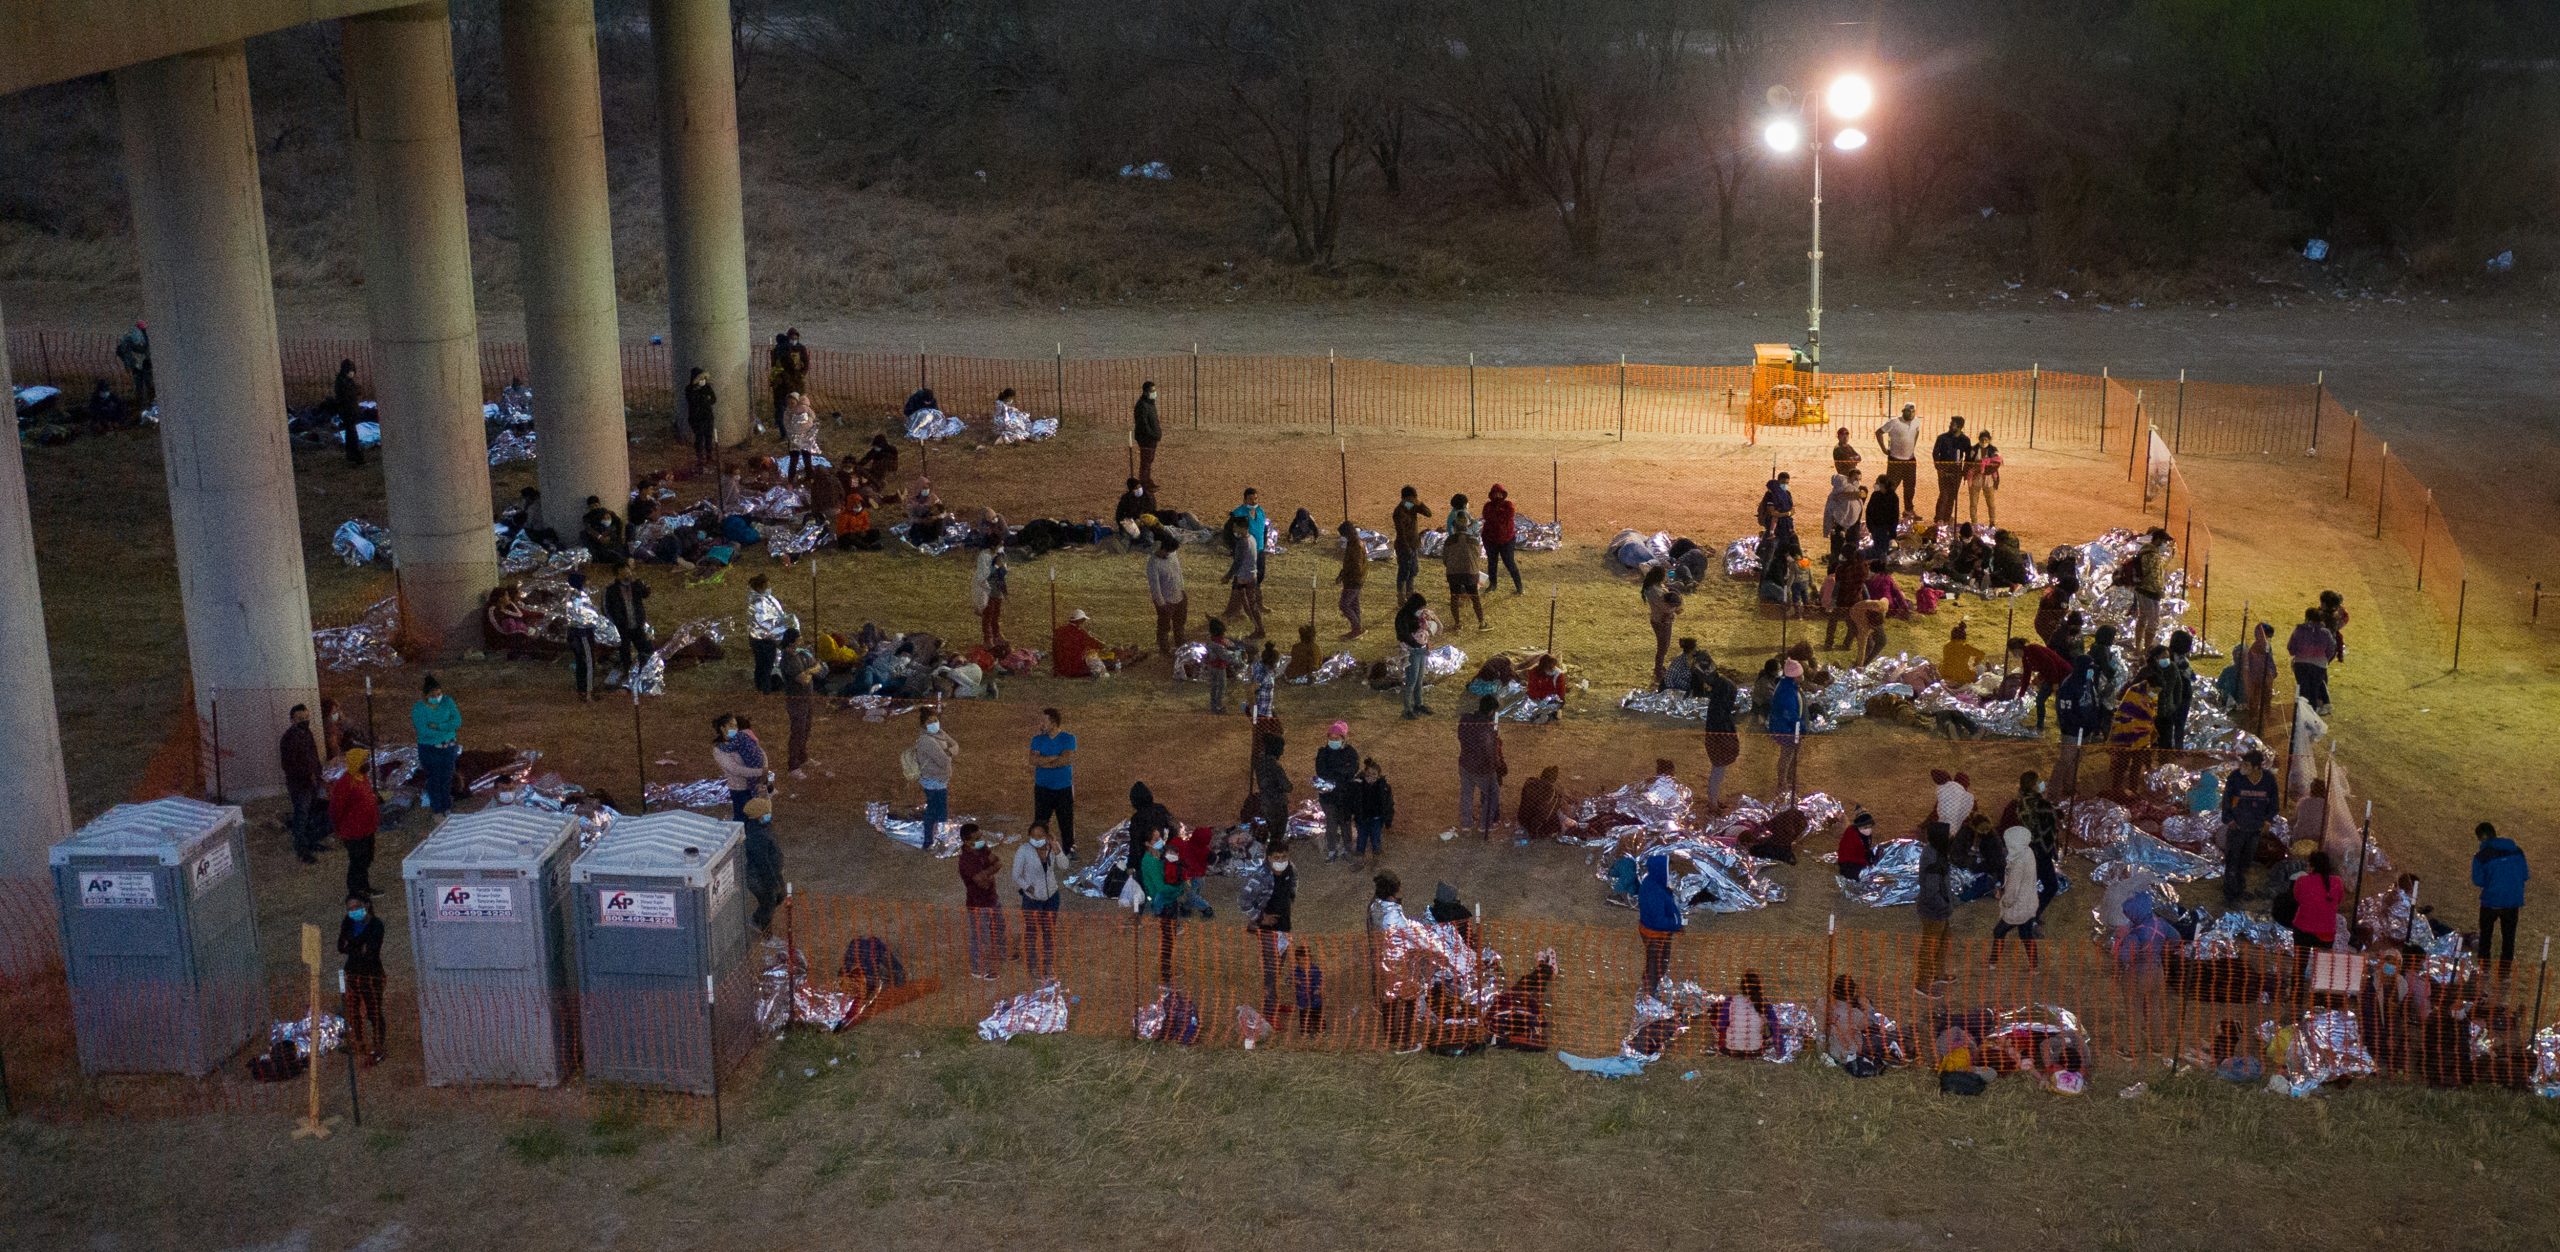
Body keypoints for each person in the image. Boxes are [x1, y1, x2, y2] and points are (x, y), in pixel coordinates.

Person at [2112, 893, 2177, 1059]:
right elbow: (2176, 938)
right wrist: (2161, 950)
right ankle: (2158, 1046)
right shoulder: (2161, 923)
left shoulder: (2136, 933)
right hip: (2157, 970)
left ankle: (2132, 1049)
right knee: (2154, 1008)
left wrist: (2121, 938)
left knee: (2134, 1010)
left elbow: (2125, 957)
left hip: (2138, 974)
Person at [2220, 749, 2280, 904]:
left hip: (2255, 829)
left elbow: (2274, 802)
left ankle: (2239, 889)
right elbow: (2226, 799)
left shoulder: (2268, 780)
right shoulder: (2235, 778)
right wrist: (2229, 819)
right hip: (2237, 828)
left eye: (2247, 765)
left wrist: (2268, 820)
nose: (2243, 767)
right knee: (2232, 861)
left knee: (2245, 861)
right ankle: (2230, 895)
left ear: (2257, 767)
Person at [1006, 820, 1061, 980]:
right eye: (1033, 836)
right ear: (1029, 836)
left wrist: (1057, 848)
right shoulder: (1023, 851)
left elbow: (1064, 866)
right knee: (1031, 932)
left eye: (1040, 836)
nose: (1037, 839)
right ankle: (1032, 966)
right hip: (1032, 900)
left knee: (1049, 931)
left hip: (1052, 898)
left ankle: (1048, 964)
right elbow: (1016, 874)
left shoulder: (1051, 848)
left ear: (1047, 836)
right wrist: (1028, 887)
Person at [338, 893, 387, 1065]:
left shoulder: (376, 925)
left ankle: (379, 1046)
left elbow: (371, 952)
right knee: (352, 1009)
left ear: (365, 905)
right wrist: (359, 946)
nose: (352, 911)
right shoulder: (348, 921)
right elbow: (340, 947)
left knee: (373, 1011)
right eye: (349, 909)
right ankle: (357, 1042)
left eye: (355, 907)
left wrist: (352, 944)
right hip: (351, 973)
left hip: (371, 975)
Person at [2473, 821, 2528, 967]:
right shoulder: (2518, 851)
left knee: (2485, 936)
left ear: (2481, 838)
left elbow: (2478, 880)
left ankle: (2483, 968)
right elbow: (2525, 874)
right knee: (2509, 938)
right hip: (2512, 902)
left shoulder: (2481, 856)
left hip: (2491, 901)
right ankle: (2504, 973)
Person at [330, 748, 381, 900]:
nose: (367, 763)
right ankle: (355, 891)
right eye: (364, 761)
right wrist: (338, 829)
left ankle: (364, 887)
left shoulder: (362, 777)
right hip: (353, 832)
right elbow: (335, 808)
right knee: (357, 861)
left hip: (366, 829)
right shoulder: (345, 783)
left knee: (366, 858)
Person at [1988, 826, 2042, 970]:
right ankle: (2034, 966)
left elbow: (2012, 891)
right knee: (2026, 934)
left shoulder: (2017, 863)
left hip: (2018, 906)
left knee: (1999, 931)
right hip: (2030, 902)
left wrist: (2004, 902)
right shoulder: (2027, 851)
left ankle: (1993, 962)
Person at [1029, 707, 1079, 861]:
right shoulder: (1037, 739)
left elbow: (1066, 759)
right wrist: (1054, 758)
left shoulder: (1068, 738)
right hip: (1043, 788)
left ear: (1053, 723)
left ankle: (1069, 848)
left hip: (1062, 788)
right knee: (1041, 820)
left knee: (1066, 821)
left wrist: (1044, 761)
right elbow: (1033, 760)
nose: (1041, 724)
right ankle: (1040, 848)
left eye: (1044, 721)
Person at [956, 823, 1004, 980]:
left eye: (980, 837)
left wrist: (986, 873)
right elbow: (982, 882)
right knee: (979, 937)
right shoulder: (965, 861)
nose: (981, 841)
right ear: (966, 841)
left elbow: (998, 862)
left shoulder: (982, 848)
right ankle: (978, 969)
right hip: (978, 904)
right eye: (976, 839)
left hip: (992, 898)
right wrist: (989, 873)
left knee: (998, 926)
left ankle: (998, 953)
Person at [1456, 694, 1507, 839]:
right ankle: (1485, 825)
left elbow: (1461, 737)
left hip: (1465, 763)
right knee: (1492, 794)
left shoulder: (1465, 720)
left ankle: (1466, 824)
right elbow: (1490, 752)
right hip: (1482, 769)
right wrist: (1496, 766)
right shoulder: (1487, 729)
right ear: (1491, 711)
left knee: (1466, 794)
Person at [279, 703, 325, 864]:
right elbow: (289, 765)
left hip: (312, 782)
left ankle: (310, 842)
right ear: (292, 720)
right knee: (301, 815)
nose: (305, 721)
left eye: (306, 718)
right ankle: (302, 849)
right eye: (300, 718)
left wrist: (318, 774)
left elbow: (313, 755)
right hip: (300, 784)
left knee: (310, 814)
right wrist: (308, 776)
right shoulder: (288, 739)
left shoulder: (307, 733)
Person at [411, 676, 462, 815]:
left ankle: (446, 806)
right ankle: (437, 807)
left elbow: (457, 721)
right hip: (429, 749)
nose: (437, 697)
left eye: (439, 694)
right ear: (425, 695)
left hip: (448, 747)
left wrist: (438, 726)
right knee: (434, 778)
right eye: (433, 695)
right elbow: (423, 731)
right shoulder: (419, 709)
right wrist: (447, 730)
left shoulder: (447, 702)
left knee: (447, 776)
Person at [1914, 822, 1954, 996]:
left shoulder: (1936, 852)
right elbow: (1931, 891)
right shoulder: (1933, 859)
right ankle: (1922, 983)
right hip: (1934, 911)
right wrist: (1944, 905)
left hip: (1939, 909)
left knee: (1942, 941)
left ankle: (1938, 973)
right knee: (1929, 948)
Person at [1636, 850, 1684, 992]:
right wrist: (1675, 925)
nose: (1671, 872)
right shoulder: (1654, 891)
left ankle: (1651, 991)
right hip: (1656, 934)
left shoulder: (1654, 884)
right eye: (1669, 868)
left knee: (1657, 963)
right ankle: (1649, 995)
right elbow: (1658, 920)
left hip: (1659, 933)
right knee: (1655, 965)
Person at [911, 709, 957, 850]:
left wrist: (949, 752)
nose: (934, 723)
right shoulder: (927, 740)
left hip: (940, 779)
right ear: (924, 724)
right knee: (935, 808)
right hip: (932, 780)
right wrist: (950, 753)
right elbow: (943, 761)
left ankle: (936, 837)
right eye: (930, 721)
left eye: (935, 720)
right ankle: (930, 839)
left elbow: (955, 745)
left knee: (939, 808)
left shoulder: (939, 734)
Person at [779, 629, 824, 773]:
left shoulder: (802, 653)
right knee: (797, 731)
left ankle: (803, 757)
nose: (802, 640)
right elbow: (803, 680)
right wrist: (810, 671)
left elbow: (818, 666)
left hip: (807, 699)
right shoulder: (787, 659)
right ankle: (793, 765)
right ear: (792, 641)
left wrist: (809, 671)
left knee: (806, 729)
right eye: (799, 638)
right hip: (796, 701)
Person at [1315, 721, 1360, 861]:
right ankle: (1332, 849)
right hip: (1329, 797)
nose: (1333, 741)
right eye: (1331, 738)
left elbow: (1352, 770)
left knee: (1345, 823)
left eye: (1337, 738)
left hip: (1345, 796)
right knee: (1331, 823)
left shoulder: (1351, 752)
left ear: (1343, 739)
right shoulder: (1323, 753)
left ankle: (1347, 847)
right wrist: (1341, 772)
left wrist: (1335, 773)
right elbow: (1321, 771)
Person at [1700, 660, 1740, 812]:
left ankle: (1714, 799)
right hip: (1719, 739)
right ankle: (1712, 804)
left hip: (1716, 738)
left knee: (1717, 771)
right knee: (1717, 771)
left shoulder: (1716, 706)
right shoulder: (1720, 713)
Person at [711, 714, 768, 820]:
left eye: (736, 726)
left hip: (755, 785)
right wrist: (761, 772)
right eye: (731, 726)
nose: (735, 729)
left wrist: (764, 767)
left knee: (759, 816)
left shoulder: (742, 737)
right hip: (740, 790)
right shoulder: (719, 750)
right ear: (722, 728)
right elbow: (735, 770)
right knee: (742, 819)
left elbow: (760, 751)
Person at [740, 794, 784, 931]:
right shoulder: (757, 836)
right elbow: (762, 863)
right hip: (759, 878)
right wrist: (773, 883)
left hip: (768, 874)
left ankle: (757, 919)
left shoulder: (761, 828)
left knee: (776, 898)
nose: (770, 815)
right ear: (759, 815)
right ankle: (763, 929)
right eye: (767, 813)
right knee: (769, 902)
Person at [2289, 850, 2347, 954]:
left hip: (2303, 928)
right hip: (2326, 932)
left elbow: (2298, 898)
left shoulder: (2302, 881)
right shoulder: (2338, 882)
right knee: (2321, 966)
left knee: (2299, 965)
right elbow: (2339, 900)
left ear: (2312, 866)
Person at [747, 574, 796, 694]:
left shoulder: (760, 598)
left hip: (759, 638)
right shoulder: (758, 602)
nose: (770, 587)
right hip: (763, 640)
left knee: (761, 664)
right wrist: (781, 632)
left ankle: (760, 686)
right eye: (768, 585)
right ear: (761, 587)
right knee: (766, 666)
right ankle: (765, 690)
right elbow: (765, 623)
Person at [1443, 499, 1487, 630]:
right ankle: (1481, 623)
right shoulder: (1474, 541)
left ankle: (1457, 624)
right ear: (1467, 526)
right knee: (1475, 598)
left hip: (1453, 573)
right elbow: (1477, 556)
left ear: (1455, 526)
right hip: (1470, 573)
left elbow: (1445, 559)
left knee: (1454, 597)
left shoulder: (1449, 541)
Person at [2286, 606, 2338, 715]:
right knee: (2314, 692)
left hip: (2301, 664)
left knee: (2303, 691)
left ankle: (2301, 716)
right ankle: (2312, 716)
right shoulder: (2326, 633)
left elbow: (2291, 648)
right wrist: (2324, 659)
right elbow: (2331, 649)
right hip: (2319, 666)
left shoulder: (2299, 630)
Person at [1221, 516, 1267, 638]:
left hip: (1244, 578)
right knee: (1246, 602)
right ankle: (1255, 626)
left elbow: (1238, 562)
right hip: (1250, 575)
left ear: (1242, 527)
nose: (1234, 528)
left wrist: (1227, 576)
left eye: (1235, 526)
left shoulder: (1242, 543)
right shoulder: (1252, 538)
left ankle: (1259, 629)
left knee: (1249, 605)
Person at [2127, 528, 2174, 646]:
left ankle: (2138, 647)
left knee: (2142, 617)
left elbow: (2158, 568)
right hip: (2149, 591)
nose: (2165, 544)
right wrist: (2160, 590)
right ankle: (2146, 650)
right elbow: (2153, 575)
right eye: (2164, 541)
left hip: (2143, 590)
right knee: (2153, 622)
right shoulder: (2152, 555)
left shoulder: (2147, 551)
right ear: (2158, 540)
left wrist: (2169, 557)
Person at [1874, 403, 1921, 519]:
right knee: (1891, 486)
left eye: (1912, 411)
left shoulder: (1916, 421)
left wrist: (1912, 447)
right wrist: (1884, 449)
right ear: (1903, 411)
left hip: (1910, 460)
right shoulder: (1894, 422)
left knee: (1910, 486)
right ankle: (1885, 510)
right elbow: (1879, 432)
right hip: (1895, 460)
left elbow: (1917, 432)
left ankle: (1908, 510)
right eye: (1908, 411)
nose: (1910, 414)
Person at [2152, 630, 2197, 751]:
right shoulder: (2171, 659)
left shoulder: (2177, 658)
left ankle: (2175, 749)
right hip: (2174, 696)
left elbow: (2192, 676)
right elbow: (2192, 677)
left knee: (2176, 725)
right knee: (2172, 725)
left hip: (2180, 696)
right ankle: (2169, 750)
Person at [1767, 659, 1805, 798]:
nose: (1802, 676)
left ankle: (1788, 780)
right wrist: (1801, 729)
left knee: (1789, 755)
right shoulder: (1788, 692)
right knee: (1787, 756)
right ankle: (1783, 783)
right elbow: (1792, 716)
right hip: (1788, 731)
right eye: (1801, 674)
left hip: (1786, 728)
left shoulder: (1787, 686)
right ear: (1795, 676)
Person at [605, 565, 651, 677]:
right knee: (625, 652)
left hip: (636, 624)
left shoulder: (635, 585)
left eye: (628, 570)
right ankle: (627, 673)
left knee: (645, 648)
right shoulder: (611, 589)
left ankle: (644, 672)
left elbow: (646, 593)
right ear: (618, 573)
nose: (627, 573)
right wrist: (615, 623)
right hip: (622, 626)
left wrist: (637, 581)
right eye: (623, 570)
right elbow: (606, 608)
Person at [1391, 485, 1434, 599]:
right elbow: (1401, 533)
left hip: (1412, 545)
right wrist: (1407, 548)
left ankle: (1409, 594)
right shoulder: (1399, 512)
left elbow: (1428, 513)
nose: (1414, 500)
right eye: (1413, 498)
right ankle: (1401, 595)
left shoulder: (1409, 506)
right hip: (1404, 546)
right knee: (1404, 572)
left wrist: (1419, 503)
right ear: (1406, 498)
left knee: (1413, 571)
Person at [1641, 567, 1682, 685]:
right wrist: (1677, 607)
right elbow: (1665, 608)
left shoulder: (1655, 587)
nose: (1666, 577)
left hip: (1659, 620)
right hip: (1662, 621)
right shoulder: (1655, 591)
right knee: (1663, 647)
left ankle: (1659, 668)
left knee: (1664, 646)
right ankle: (1658, 671)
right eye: (1664, 575)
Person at [1928, 415, 1972, 526]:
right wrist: (1939, 468)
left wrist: (1965, 471)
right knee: (1944, 495)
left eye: (1953, 424)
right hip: (1943, 471)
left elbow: (1969, 457)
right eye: (1950, 423)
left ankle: (1947, 518)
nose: (1950, 425)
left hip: (1957, 471)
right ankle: (1939, 519)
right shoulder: (1942, 438)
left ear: (1959, 427)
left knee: (1952, 496)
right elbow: (1935, 453)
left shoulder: (1965, 440)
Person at [1147, 536, 1188, 654]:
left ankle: (1181, 645)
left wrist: (1182, 590)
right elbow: (1155, 586)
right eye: (1166, 552)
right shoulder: (1153, 563)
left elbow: (1178, 572)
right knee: (1164, 626)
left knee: (1180, 623)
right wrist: (1161, 603)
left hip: (1179, 595)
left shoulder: (1172, 554)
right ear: (1161, 548)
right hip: (1166, 600)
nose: (1168, 554)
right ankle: (1164, 648)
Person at [1395, 592, 1433, 718]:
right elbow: (1402, 634)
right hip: (1411, 651)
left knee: (1419, 679)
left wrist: (1425, 644)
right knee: (1412, 680)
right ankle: (1407, 709)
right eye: (1420, 607)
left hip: (1421, 650)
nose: (1422, 610)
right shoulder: (1403, 616)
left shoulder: (1417, 615)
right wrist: (1415, 643)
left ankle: (1418, 704)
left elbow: (1426, 630)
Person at [1482, 483, 1523, 594]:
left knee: (1509, 563)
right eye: (1495, 494)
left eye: (1499, 494)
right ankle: (1493, 584)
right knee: (1492, 563)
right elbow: (1488, 517)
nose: (1497, 496)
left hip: (1507, 540)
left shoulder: (1508, 505)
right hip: (1490, 540)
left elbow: (1505, 517)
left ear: (1503, 494)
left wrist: (1497, 512)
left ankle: (1519, 586)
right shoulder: (1488, 506)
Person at [1351, 757, 1394, 864]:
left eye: (1374, 775)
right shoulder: (1359, 786)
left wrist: (1388, 820)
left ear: (1379, 776)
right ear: (1364, 774)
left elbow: (1388, 804)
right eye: (1368, 774)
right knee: (1361, 839)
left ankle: (1376, 859)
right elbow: (1353, 801)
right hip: (1362, 818)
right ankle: (1359, 860)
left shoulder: (1384, 788)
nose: (1371, 777)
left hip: (1376, 819)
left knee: (1376, 838)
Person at [1721, 971, 1772, 1057]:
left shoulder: (1731, 1000)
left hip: (1732, 1050)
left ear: (1742, 986)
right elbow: (1774, 1025)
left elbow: (1721, 1025)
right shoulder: (1764, 1002)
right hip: (1756, 1051)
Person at [971, 545, 1009, 649]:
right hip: (988, 591)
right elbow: (984, 574)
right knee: (988, 616)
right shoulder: (985, 556)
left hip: (997, 591)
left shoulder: (1001, 555)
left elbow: (1003, 573)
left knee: (996, 615)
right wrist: (996, 566)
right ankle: (988, 640)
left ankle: (996, 636)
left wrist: (1002, 568)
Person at [1334, 520, 1367, 638]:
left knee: (1344, 604)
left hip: (1354, 580)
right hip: (1354, 579)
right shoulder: (1353, 542)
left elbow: (1355, 566)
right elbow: (1349, 563)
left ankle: (1357, 628)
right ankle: (1358, 628)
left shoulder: (1356, 545)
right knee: (1354, 604)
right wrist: (1342, 574)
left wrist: (1345, 575)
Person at [1517, 765, 1566, 842]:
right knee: (1556, 820)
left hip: (1521, 818)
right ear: (1553, 780)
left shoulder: (1529, 783)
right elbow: (1543, 815)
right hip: (1532, 825)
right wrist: (1533, 832)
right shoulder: (1551, 792)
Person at [1202, 617, 1240, 714]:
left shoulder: (1210, 641)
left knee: (1214, 686)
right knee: (1221, 687)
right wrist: (1237, 657)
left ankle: (1213, 705)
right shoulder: (1220, 644)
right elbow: (1226, 657)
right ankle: (1218, 707)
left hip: (1211, 666)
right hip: (1219, 668)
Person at [780, 390, 821, 479]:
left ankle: (809, 476)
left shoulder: (804, 409)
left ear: (797, 402)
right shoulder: (787, 412)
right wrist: (793, 432)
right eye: (788, 403)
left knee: (807, 458)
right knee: (794, 459)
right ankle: (791, 478)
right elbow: (786, 424)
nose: (790, 404)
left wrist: (809, 424)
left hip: (805, 438)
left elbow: (812, 416)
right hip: (794, 439)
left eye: (792, 402)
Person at [333, 359, 365, 466]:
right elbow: (347, 397)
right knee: (352, 434)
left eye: (353, 370)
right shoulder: (342, 382)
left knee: (350, 433)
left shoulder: (346, 381)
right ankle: (356, 456)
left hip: (350, 411)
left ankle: (351, 454)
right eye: (350, 370)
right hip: (348, 412)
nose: (352, 373)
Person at [1967, 429, 2002, 526]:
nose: (1983, 442)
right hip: (1975, 478)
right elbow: (1969, 462)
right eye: (1982, 440)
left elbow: (1997, 463)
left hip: (1988, 479)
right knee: (1973, 503)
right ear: (1979, 439)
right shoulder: (1974, 449)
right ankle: (1974, 523)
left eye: (1986, 440)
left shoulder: (1993, 450)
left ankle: (1992, 522)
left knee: (1991, 503)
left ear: (1989, 440)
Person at [1131, 380, 1162, 487]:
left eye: (1155, 390)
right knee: (1146, 462)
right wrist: (1153, 435)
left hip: (1151, 438)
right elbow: (1143, 425)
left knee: (1149, 461)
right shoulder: (1142, 405)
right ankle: (1144, 483)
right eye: (1152, 391)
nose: (1154, 393)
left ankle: (1147, 480)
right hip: (1146, 439)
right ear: (1145, 392)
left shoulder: (1150, 404)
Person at [116, 319, 153, 409]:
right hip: (140, 364)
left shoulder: (131, 337)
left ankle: (144, 403)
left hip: (139, 364)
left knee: (141, 384)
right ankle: (148, 402)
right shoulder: (137, 337)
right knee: (145, 383)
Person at [685, 367, 718, 466]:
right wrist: (704, 398)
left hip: (707, 416)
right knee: (699, 438)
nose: (702, 381)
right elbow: (694, 401)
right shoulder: (690, 389)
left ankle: (709, 457)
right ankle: (700, 458)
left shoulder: (707, 387)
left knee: (709, 437)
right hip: (697, 418)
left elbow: (713, 399)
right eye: (700, 379)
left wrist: (705, 399)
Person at [1863, 476, 1900, 560]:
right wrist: (1870, 526)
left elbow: (1895, 516)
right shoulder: (1875, 495)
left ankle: (1863, 555)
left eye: (1877, 483)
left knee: (1882, 550)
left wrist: (1892, 532)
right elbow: (1869, 511)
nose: (1875, 484)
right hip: (1876, 528)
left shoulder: (1893, 497)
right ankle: (1864, 556)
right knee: (1879, 549)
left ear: (1883, 485)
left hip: (1886, 529)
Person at [1836, 811, 1877, 881]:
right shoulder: (1852, 837)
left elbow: (1865, 848)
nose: (1868, 830)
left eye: (1870, 827)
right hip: (1849, 864)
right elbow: (1849, 856)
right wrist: (1866, 863)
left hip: (1860, 857)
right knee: (1863, 875)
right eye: (1865, 828)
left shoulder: (1864, 835)